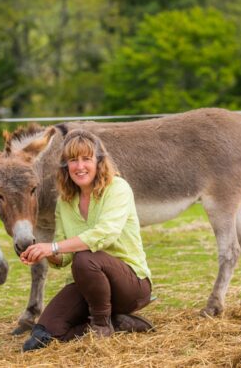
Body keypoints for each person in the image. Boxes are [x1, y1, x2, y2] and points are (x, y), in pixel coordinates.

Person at [20, 129, 153, 352]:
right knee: (44, 332)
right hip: (92, 286)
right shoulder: (65, 202)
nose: (79, 166)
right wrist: (44, 253)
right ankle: (117, 323)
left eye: (86, 159)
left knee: (85, 258)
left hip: (132, 285)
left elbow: (104, 234)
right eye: (73, 160)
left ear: (99, 161)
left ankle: (102, 326)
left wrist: (53, 246)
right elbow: (64, 257)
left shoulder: (118, 188)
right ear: (65, 166)